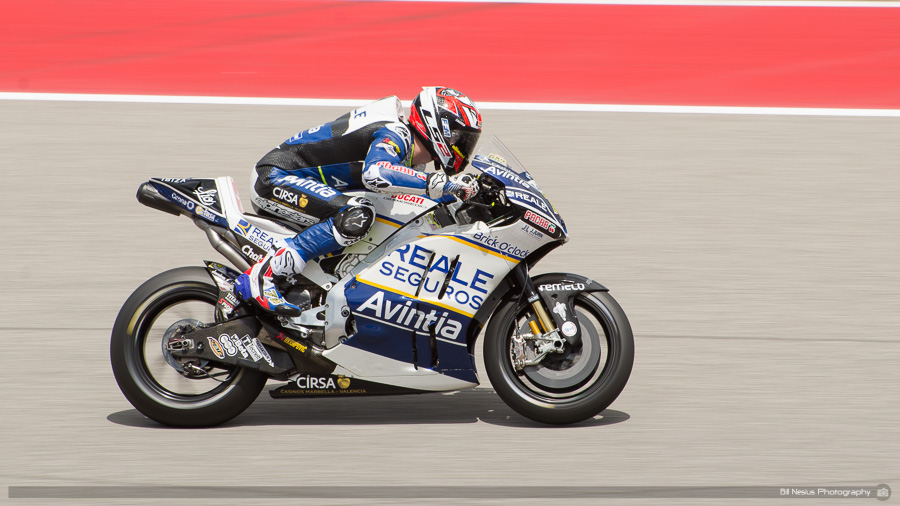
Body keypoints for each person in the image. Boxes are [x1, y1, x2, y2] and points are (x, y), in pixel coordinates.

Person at [235, 86, 483, 316]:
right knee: (359, 213)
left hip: (301, 184)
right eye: (460, 138)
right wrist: (439, 183)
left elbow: (419, 195)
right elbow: (375, 173)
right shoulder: (396, 133)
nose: (462, 147)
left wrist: (473, 194)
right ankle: (263, 276)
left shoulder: (413, 161)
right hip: (275, 177)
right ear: (440, 127)